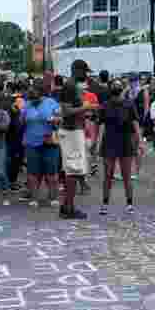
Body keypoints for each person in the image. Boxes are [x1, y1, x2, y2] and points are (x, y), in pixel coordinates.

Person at [96, 78, 141, 215]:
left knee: (116, 175)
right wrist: (139, 143)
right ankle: (122, 204)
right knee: (117, 175)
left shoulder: (126, 104)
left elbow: (135, 125)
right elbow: (136, 126)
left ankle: (116, 204)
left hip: (120, 141)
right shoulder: (107, 105)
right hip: (114, 141)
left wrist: (138, 142)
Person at [57, 59, 94, 219]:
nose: (86, 75)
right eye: (85, 72)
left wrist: (86, 112)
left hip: (74, 130)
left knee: (73, 171)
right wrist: (85, 108)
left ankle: (67, 205)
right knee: (72, 171)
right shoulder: (70, 86)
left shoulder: (72, 86)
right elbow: (66, 111)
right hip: (71, 132)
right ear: (77, 70)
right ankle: (68, 207)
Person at [22, 79, 61, 208]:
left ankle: (53, 197)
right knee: (33, 172)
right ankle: (34, 198)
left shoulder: (52, 103)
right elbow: (21, 121)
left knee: (52, 172)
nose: (33, 97)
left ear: (42, 93)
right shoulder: (27, 105)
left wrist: (55, 120)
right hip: (31, 142)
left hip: (50, 142)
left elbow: (60, 118)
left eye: (36, 93)